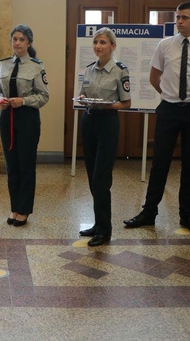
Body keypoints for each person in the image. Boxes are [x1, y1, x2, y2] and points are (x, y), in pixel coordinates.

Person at [124, 2, 190, 234]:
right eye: (177, 17)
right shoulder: (165, 45)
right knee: (160, 163)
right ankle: (149, 212)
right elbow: (154, 77)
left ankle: (186, 214)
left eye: (184, 17)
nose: (179, 21)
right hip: (169, 110)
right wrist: (170, 97)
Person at [77, 28, 131, 246]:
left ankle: (105, 230)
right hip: (89, 120)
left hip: (108, 121)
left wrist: (109, 105)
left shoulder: (120, 70)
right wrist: (82, 98)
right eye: (96, 42)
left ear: (113, 46)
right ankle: (98, 223)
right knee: (91, 175)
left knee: (101, 177)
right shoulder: (90, 70)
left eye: (103, 43)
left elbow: (126, 102)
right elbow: (84, 94)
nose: (98, 46)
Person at [0, 24, 49, 227]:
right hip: (7, 117)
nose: (17, 43)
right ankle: (14, 207)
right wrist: (0, 99)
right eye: (14, 39)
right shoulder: (4, 64)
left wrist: (23, 101)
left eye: (21, 39)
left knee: (26, 165)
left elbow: (44, 96)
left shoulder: (36, 66)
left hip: (27, 118)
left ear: (29, 43)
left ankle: (24, 210)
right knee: (12, 165)